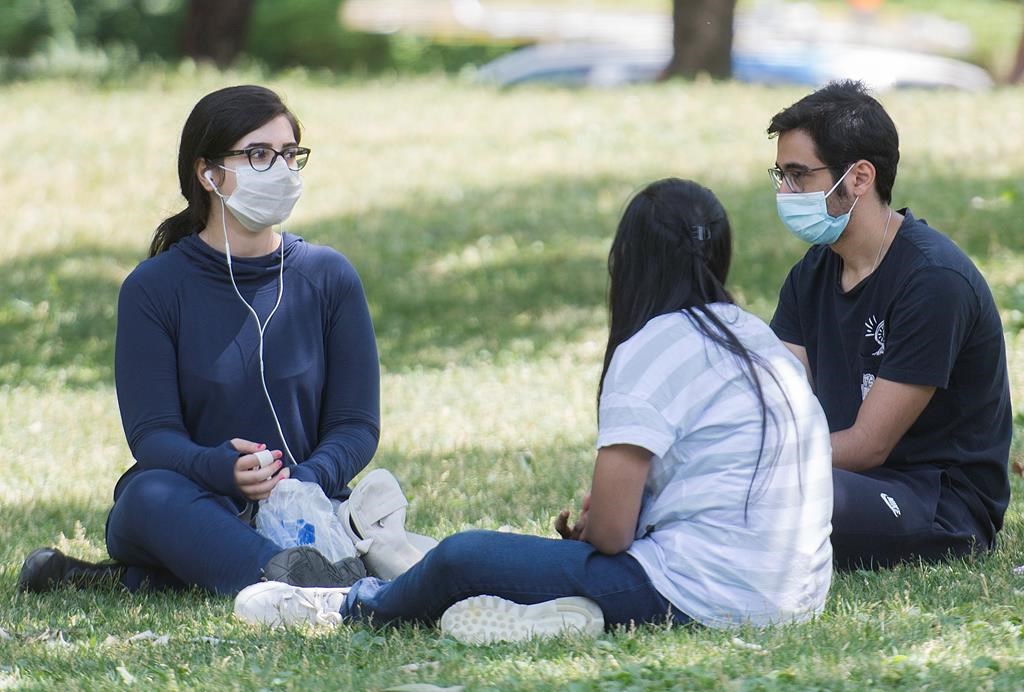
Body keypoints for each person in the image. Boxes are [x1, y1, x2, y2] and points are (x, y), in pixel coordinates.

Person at [233, 179, 835, 643]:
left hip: (706, 595)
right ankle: (551, 613)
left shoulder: (651, 346)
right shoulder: (757, 338)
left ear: (628, 261)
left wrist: (592, 533)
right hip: (800, 595)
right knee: (519, 564)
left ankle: (345, 604)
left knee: (465, 555)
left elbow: (612, 534)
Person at [18, 85, 397, 595]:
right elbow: (152, 435)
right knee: (146, 497)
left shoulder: (329, 277)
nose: (281, 170)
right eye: (259, 155)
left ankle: (149, 581)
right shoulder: (153, 288)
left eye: (290, 155)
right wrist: (221, 469)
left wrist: (306, 480)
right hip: (192, 498)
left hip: (307, 506)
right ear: (208, 173)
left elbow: (355, 425)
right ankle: (302, 579)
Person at [766, 80, 1012, 570]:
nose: (784, 192)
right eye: (779, 175)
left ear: (859, 178)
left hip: (938, 501)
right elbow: (779, 408)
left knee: (776, 495)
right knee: (751, 490)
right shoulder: (810, 275)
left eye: (798, 175)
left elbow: (867, 446)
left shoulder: (933, 280)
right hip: (838, 476)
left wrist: (743, 466)